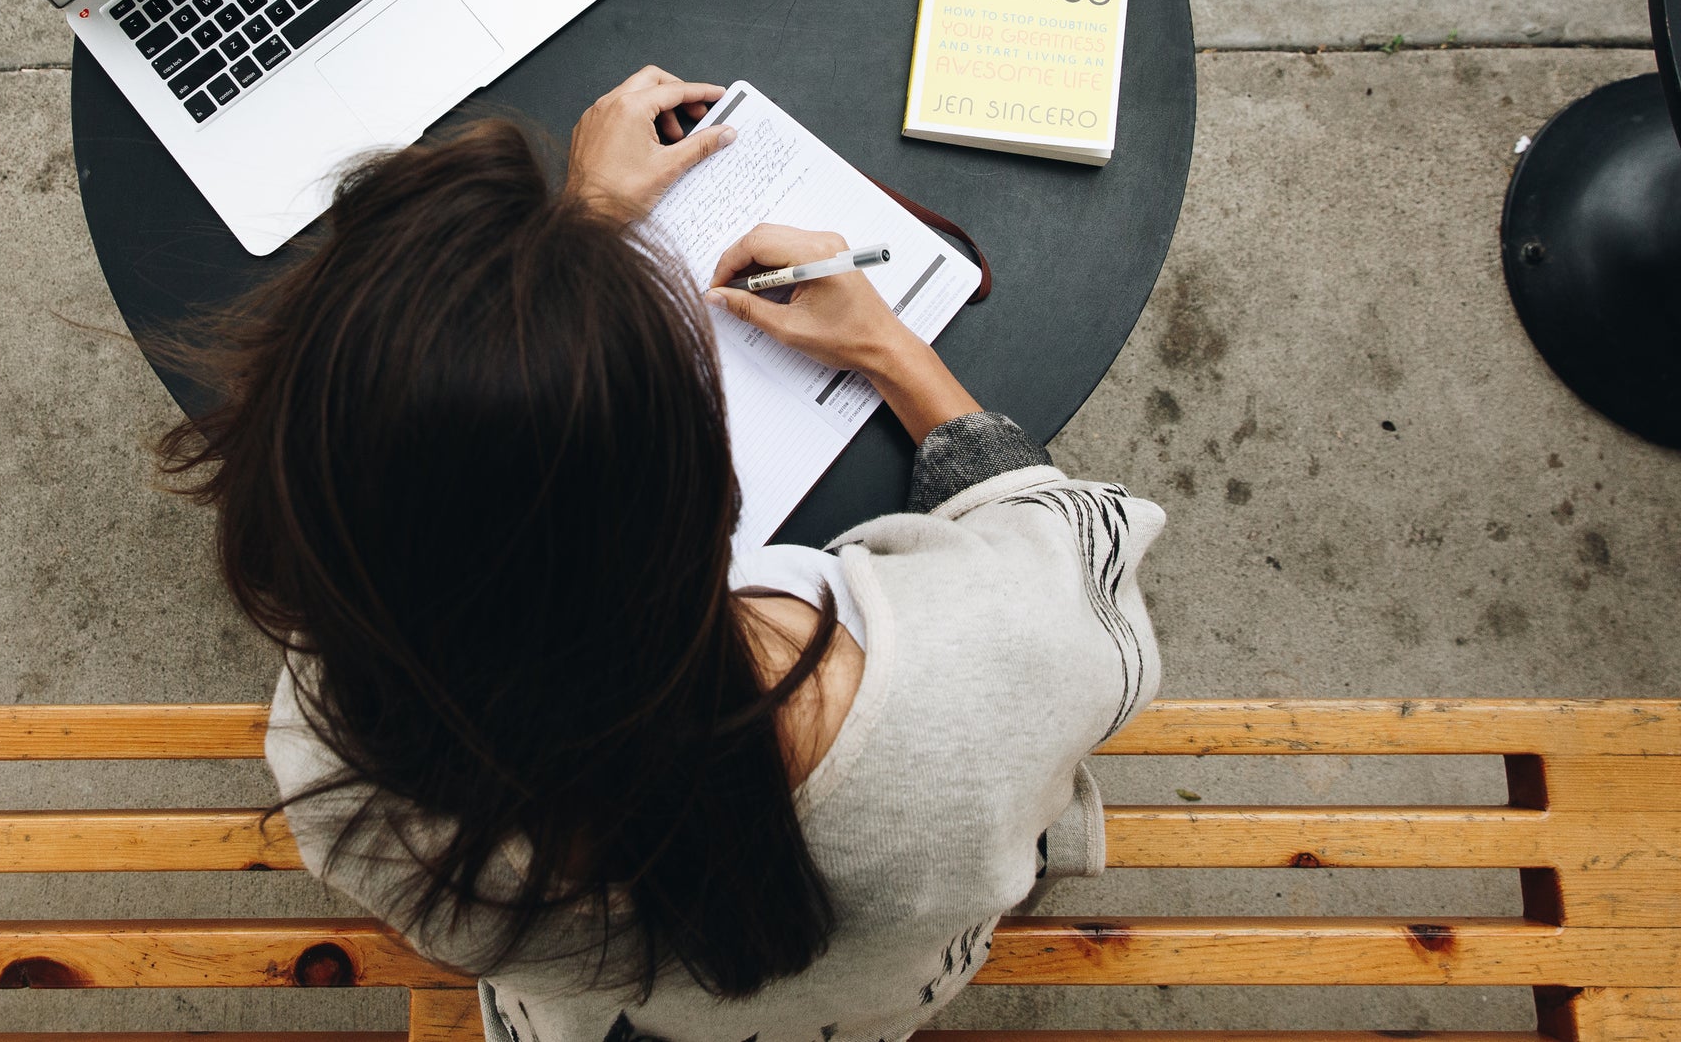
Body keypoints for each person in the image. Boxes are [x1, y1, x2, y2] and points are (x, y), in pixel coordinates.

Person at [160, 65, 1164, 1042]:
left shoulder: (340, 773)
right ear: (707, 493)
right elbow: (1057, 532)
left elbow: (447, 511)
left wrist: (570, 244)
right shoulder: (990, 679)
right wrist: (889, 351)